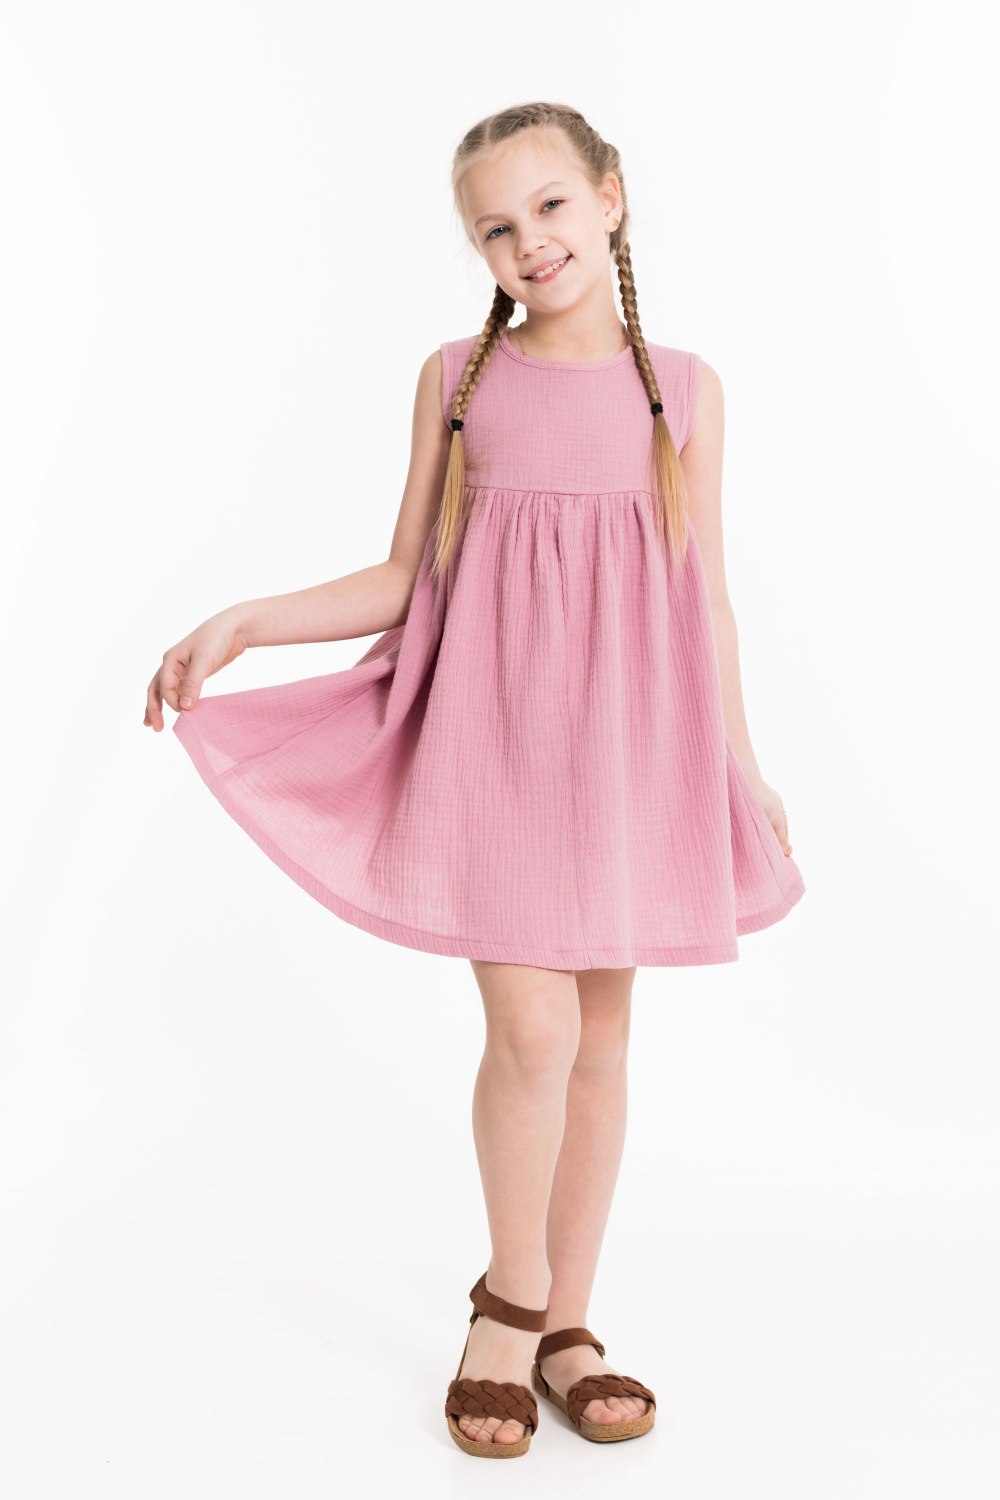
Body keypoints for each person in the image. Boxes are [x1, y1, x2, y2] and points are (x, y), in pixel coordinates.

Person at [144, 100, 804, 1458]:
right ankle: (507, 1305)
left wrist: (740, 764)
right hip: (495, 745)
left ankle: (570, 1323)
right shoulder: (460, 377)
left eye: (549, 206)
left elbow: (707, 595)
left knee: (603, 1040)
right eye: (495, 228)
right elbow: (406, 573)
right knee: (536, 1034)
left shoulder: (684, 387)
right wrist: (249, 620)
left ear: (610, 199)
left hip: (629, 750)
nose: (528, 241)